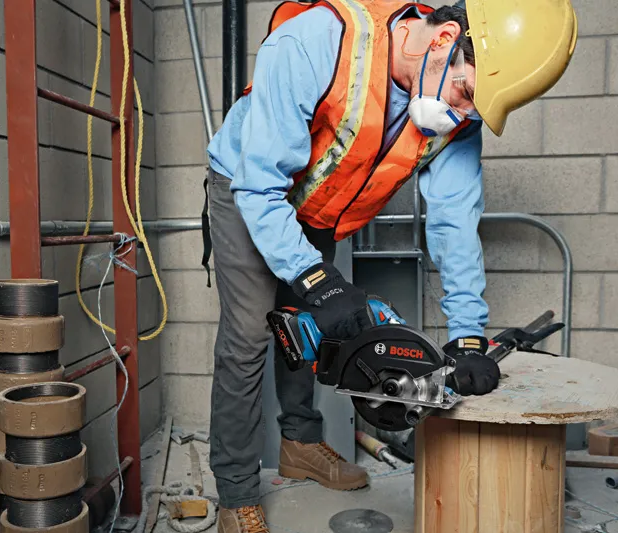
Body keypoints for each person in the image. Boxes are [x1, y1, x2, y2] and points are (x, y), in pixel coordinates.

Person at [203, 0, 577, 531]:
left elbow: (454, 225)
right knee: (248, 336)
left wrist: (468, 337)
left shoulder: (455, 117)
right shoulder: (317, 41)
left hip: (318, 208)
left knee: (306, 330)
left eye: (475, 109)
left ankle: (301, 445)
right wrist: (318, 279)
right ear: (445, 38)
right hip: (249, 189)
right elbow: (259, 186)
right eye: (466, 93)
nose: (461, 114)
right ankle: (235, 492)